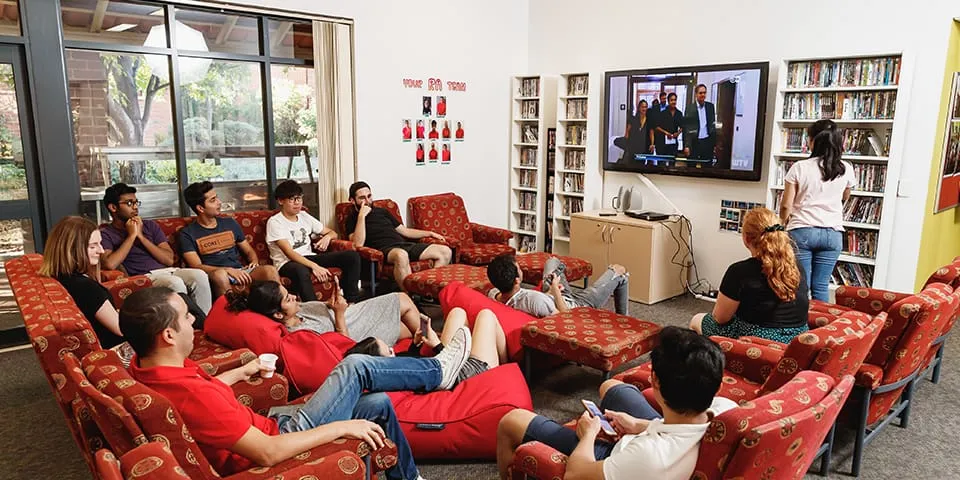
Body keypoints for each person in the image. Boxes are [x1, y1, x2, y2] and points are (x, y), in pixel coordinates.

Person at [120, 286, 474, 480]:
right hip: (277, 440)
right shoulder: (191, 395)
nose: (192, 324)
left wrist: (239, 373)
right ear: (168, 335)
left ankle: (409, 478)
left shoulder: (149, 368)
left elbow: (207, 394)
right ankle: (437, 371)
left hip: (269, 424)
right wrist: (341, 428)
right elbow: (267, 452)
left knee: (377, 404)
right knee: (354, 367)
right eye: (186, 318)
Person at [495, 326, 735, 480]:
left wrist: (588, 435)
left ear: (655, 382)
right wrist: (638, 424)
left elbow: (575, 474)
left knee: (511, 421)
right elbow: (682, 432)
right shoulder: (726, 410)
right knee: (610, 387)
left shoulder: (649, 457)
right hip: (665, 432)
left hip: (623, 455)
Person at [690, 208, 809, 343]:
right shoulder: (797, 267)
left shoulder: (739, 271)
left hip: (758, 338)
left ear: (746, 239)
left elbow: (720, 318)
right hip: (797, 338)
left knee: (697, 320)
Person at [99, 183, 213, 313]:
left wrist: (141, 237)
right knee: (175, 283)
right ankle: (180, 322)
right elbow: (110, 264)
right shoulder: (106, 233)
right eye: (129, 203)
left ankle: (205, 321)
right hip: (145, 277)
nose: (135, 207)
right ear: (113, 207)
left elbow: (169, 260)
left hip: (169, 270)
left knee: (199, 275)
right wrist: (131, 236)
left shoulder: (149, 226)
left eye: (136, 202)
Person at [778, 119, 857, 301]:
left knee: (801, 285)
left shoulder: (800, 167)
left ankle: (800, 319)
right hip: (833, 234)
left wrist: (781, 224)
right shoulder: (846, 168)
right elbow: (845, 196)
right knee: (821, 286)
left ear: (813, 141)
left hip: (802, 231)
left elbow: (786, 205)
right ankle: (820, 319)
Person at [226, 280, 425, 347]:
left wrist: (331, 303)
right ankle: (436, 347)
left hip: (350, 315)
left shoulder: (298, 310)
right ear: (278, 315)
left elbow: (321, 307)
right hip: (351, 332)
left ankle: (430, 341)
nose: (294, 297)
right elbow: (345, 349)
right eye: (288, 299)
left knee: (409, 325)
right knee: (402, 300)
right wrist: (339, 314)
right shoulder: (301, 333)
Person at [346, 306, 507, 386]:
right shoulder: (397, 376)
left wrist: (415, 345)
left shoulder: (395, 365)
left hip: (445, 362)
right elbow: (437, 373)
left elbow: (412, 361)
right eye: (389, 351)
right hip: (462, 374)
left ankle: (474, 348)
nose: (393, 349)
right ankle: (507, 368)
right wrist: (437, 345)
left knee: (457, 312)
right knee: (486, 315)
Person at [266, 180, 362, 302]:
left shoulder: (304, 216)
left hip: (309, 257)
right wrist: (315, 266)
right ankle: (314, 309)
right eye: (292, 199)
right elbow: (289, 253)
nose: (297, 203)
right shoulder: (275, 222)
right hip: (287, 263)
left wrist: (327, 238)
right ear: (280, 201)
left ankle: (351, 301)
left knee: (352, 256)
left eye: (299, 198)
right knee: (300, 270)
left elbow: (332, 233)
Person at [180, 181, 279, 298]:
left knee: (270, 271)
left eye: (217, 197)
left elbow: (248, 251)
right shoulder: (187, 233)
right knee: (220, 275)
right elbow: (197, 266)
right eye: (213, 200)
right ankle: (231, 308)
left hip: (240, 270)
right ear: (200, 208)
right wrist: (227, 270)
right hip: (214, 274)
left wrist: (254, 262)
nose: (219, 202)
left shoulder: (230, 223)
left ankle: (281, 305)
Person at [345, 182, 452, 288]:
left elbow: (405, 231)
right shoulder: (352, 219)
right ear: (352, 200)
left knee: (445, 252)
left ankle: (428, 289)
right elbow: (358, 243)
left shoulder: (382, 212)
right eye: (362, 198)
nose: (367, 201)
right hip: (382, 250)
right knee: (401, 255)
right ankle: (409, 295)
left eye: (369, 196)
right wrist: (361, 216)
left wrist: (430, 233)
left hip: (403, 245)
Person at [39, 216, 124, 348]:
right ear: (72, 249)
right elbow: (122, 330)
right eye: (93, 246)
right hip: (119, 350)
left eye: (100, 243)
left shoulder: (61, 277)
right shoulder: (87, 288)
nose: (101, 250)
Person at [487, 254, 629, 317]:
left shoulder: (494, 294)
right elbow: (566, 317)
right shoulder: (534, 299)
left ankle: (563, 280)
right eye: (519, 269)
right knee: (619, 271)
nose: (521, 269)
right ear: (517, 280)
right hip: (576, 305)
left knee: (552, 261)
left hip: (551, 296)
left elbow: (539, 302)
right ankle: (623, 318)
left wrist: (549, 292)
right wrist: (555, 290)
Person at [683, 84, 717, 164]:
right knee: (692, 166)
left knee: (707, 166)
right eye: (700, 93)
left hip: (707, 142)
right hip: (694, 142)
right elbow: (686, 128)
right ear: (696, 94)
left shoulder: (710, 107)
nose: (703, 95)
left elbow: (712, 125)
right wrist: (687, 146)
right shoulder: (690, 108)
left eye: (704, 93)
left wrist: (714, 144)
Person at [614, 99, 653, 164]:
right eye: (642, 107)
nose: (644, 109)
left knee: (641, 165)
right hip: (633, 148)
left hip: (642, 149)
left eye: (646, 107)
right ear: (639, 108)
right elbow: (627, 133)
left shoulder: (649, 120)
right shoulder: (633, 119)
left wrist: (652, 144)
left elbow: (651, 132)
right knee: (631, 164)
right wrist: (626, 143)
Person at [653, 92, 683, 157]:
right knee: (662, 161)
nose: (673, 102)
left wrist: (678, 133)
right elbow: (657, 127)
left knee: (672, 161)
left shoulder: (679, 113)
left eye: (675, 100)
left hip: (673, 142)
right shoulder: (662, 113)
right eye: (671, 100)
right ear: (668, 101)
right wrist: (666, 133)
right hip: (662, 142)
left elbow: (682, 127)